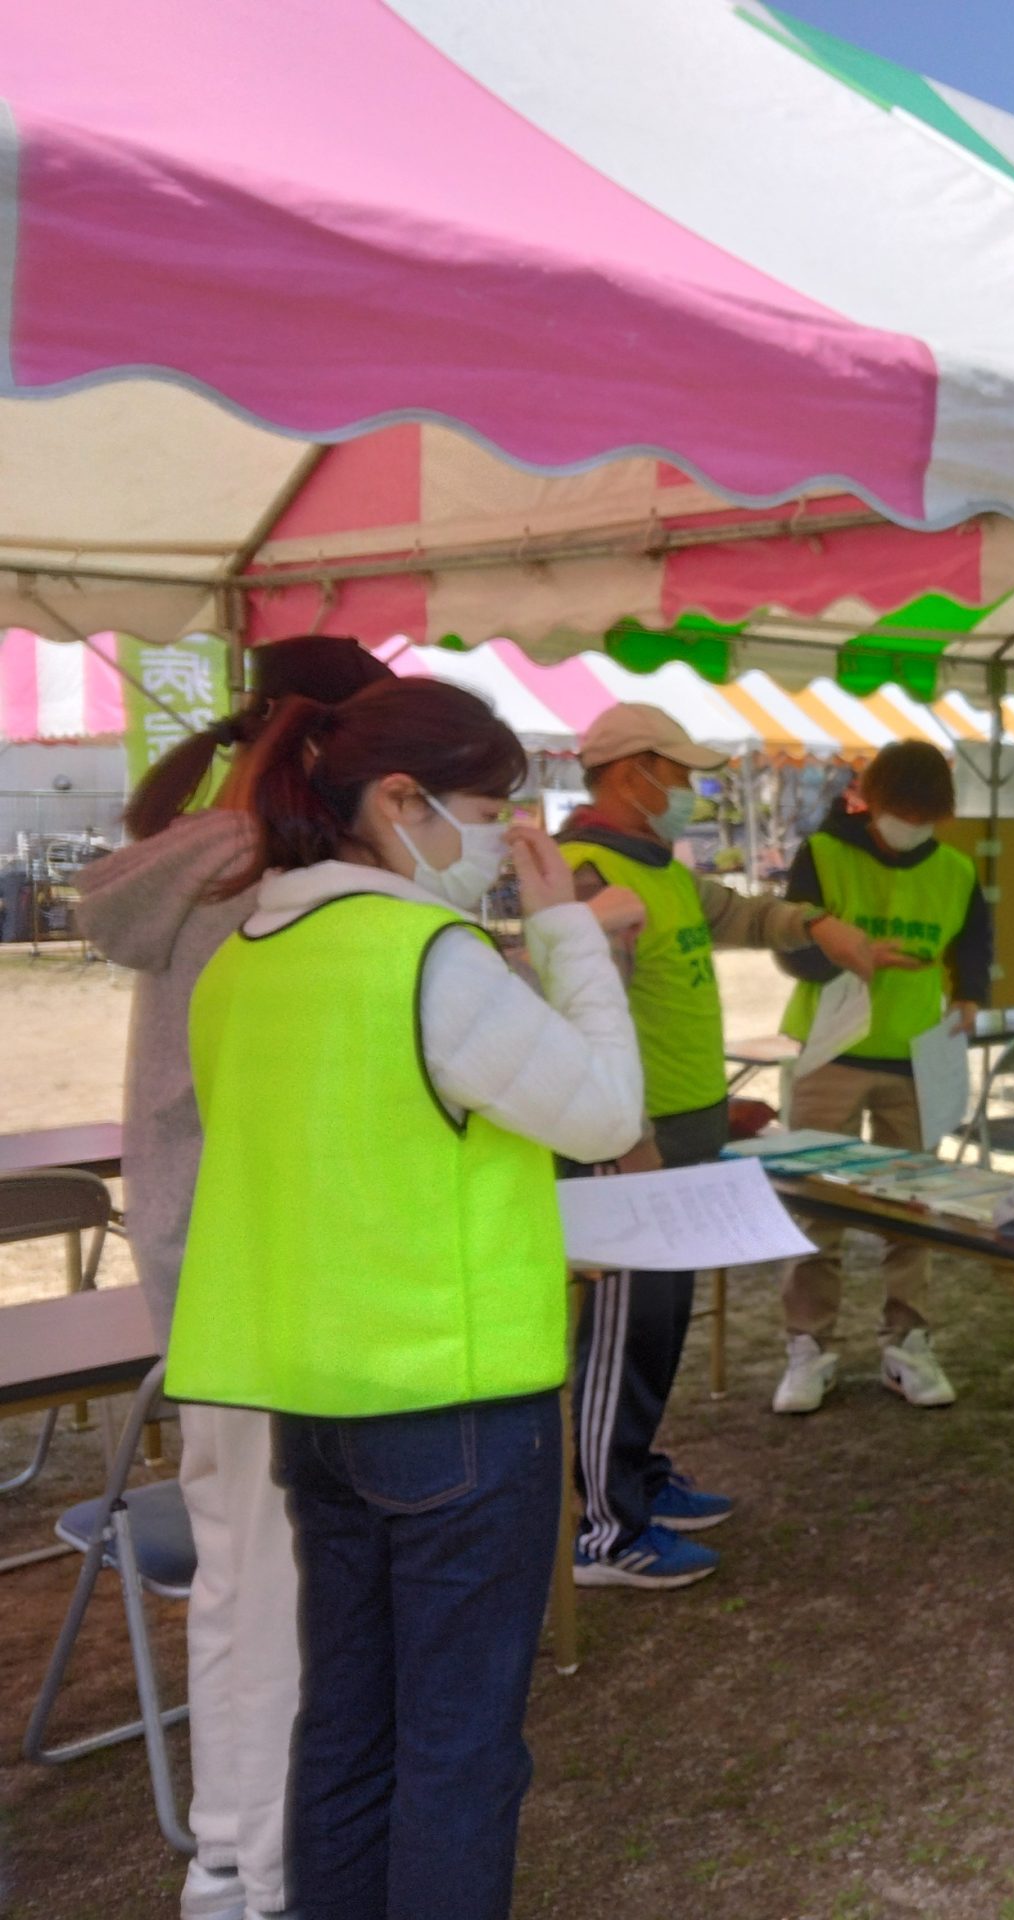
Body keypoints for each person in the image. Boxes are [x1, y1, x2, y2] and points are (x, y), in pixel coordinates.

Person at [166, 678, 643, 1920]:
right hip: (457, 1398)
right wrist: (569, 933)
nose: (502, 841)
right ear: (399, 800)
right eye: (491, 809)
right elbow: (602, 1112)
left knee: (348, 1721)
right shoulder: (423, 953)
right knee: (459, 1743)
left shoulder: (243, 957)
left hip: (314, 1401)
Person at [79, 636, 396, 1920]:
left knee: (245, 1567)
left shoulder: (210, 851)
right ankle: (255, 1870)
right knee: (269, 1578)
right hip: (266, 1266)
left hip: (213, 1265)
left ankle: (237, 1851)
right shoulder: (277, 866)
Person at [556, 704, 900, 1590]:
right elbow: (574, 1023)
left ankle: (633, 1475)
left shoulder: (656, 868)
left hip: (682, 1135)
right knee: (620, 1340)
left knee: (659, 1326)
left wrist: (821, 928)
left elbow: (743, 917)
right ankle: (604, 1528)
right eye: (680, 773)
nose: (691, 790)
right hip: (627, 1149)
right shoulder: (585, 876)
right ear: (633, 772)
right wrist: (631, 1139)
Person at [773, 742, 990, 1412]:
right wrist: (853, 955)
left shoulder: (955, 869)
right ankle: (808, 1346)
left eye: (928, 817)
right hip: (832, 1053)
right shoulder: (825, 854)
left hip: (916, 1055)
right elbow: (792, 948)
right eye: (903, 813)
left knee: (913, 1208)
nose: (913, 828)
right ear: (870, 798)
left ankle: (908, 1341)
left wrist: (970, 995)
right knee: (813, 1204)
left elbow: (975, 941)